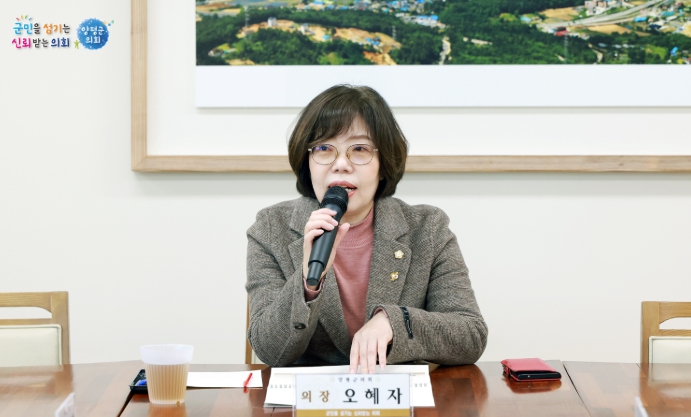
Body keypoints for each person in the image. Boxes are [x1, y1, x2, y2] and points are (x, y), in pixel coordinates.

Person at [246, 85, 487, 373]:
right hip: (310, 396)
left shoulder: (427, 228)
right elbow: (269, 349)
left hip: (397, 393)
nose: (341, 164)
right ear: (306, 162)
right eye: (324, 148)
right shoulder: (271, 229)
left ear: (383, 165)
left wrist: (394, 323)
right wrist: (308, 282)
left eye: (359, 149)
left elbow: (470, 335)